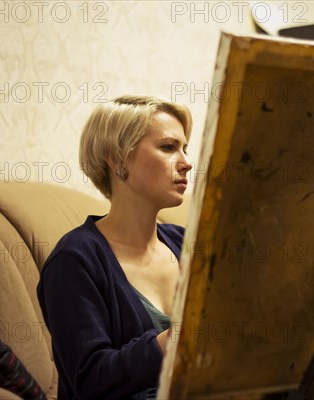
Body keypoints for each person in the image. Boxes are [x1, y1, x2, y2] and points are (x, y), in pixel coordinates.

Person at [37, 95, 193, 399]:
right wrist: (177, 340)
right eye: (168, 147)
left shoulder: (187, 244)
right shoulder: (75, 260)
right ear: (117, 158)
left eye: (186, 149)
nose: (187, 163)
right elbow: (91, 380)